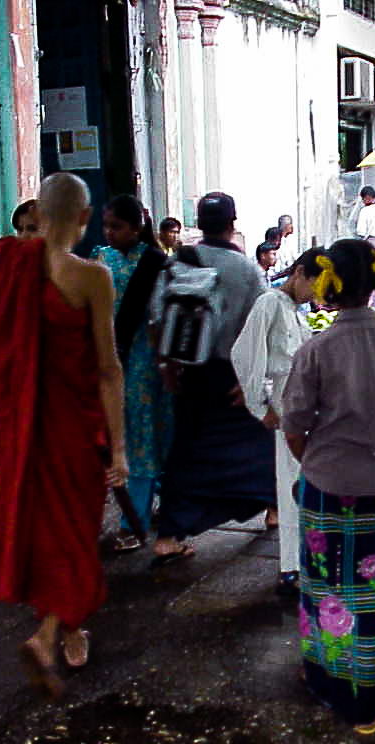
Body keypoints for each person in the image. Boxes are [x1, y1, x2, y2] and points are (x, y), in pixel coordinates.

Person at [0, 172, 127, 698]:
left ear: (37, 213)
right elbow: (109, 370)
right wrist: (122, 447)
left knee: (47, 532)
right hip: (72, 427)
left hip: (25, 428)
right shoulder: (92, 278)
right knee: (76, 533)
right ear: (85, 219)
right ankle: (50, 634)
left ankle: (64, 628)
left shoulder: (2, 267)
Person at [283, 239, 375, 734]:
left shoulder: (315, 350)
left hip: (324, 486)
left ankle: (322, 676)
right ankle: (365, 700)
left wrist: (314, 463)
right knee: (369, 591)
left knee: (322, 584)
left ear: (326, 284)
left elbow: (294, 425)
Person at [152, 192, 275, 564]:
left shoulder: (178, 263)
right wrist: (253, 379)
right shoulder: (247, 270)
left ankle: (169, 534)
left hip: (189, 372)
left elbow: (158, 319)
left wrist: (167, 366)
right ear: (232, 223)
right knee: (257, 444)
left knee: (187, 449)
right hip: (233, 374)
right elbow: (263, 327)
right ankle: (273, 507)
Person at [231, 248, 325, 597]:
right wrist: (261, 405)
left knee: (301, 487)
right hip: (284, 411)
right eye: (315, 285)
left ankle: (304, 561)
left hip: (302, 412)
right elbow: (245, 356)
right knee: (291, 490)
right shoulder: (269, 304)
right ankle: (291, 568)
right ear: (299, 272)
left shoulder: (295, 312)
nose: (315, 295)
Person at [94, 195, 171, 552]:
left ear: (137, 228)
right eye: (106, 225)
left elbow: (159, 319)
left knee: (141, 437)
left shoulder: (155, 263)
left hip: (143, 363)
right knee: (117, 435)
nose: (110, 233)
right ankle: (145, 506)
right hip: (108, 359)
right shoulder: (100, 258)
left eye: (117, 226)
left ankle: (132, 522)